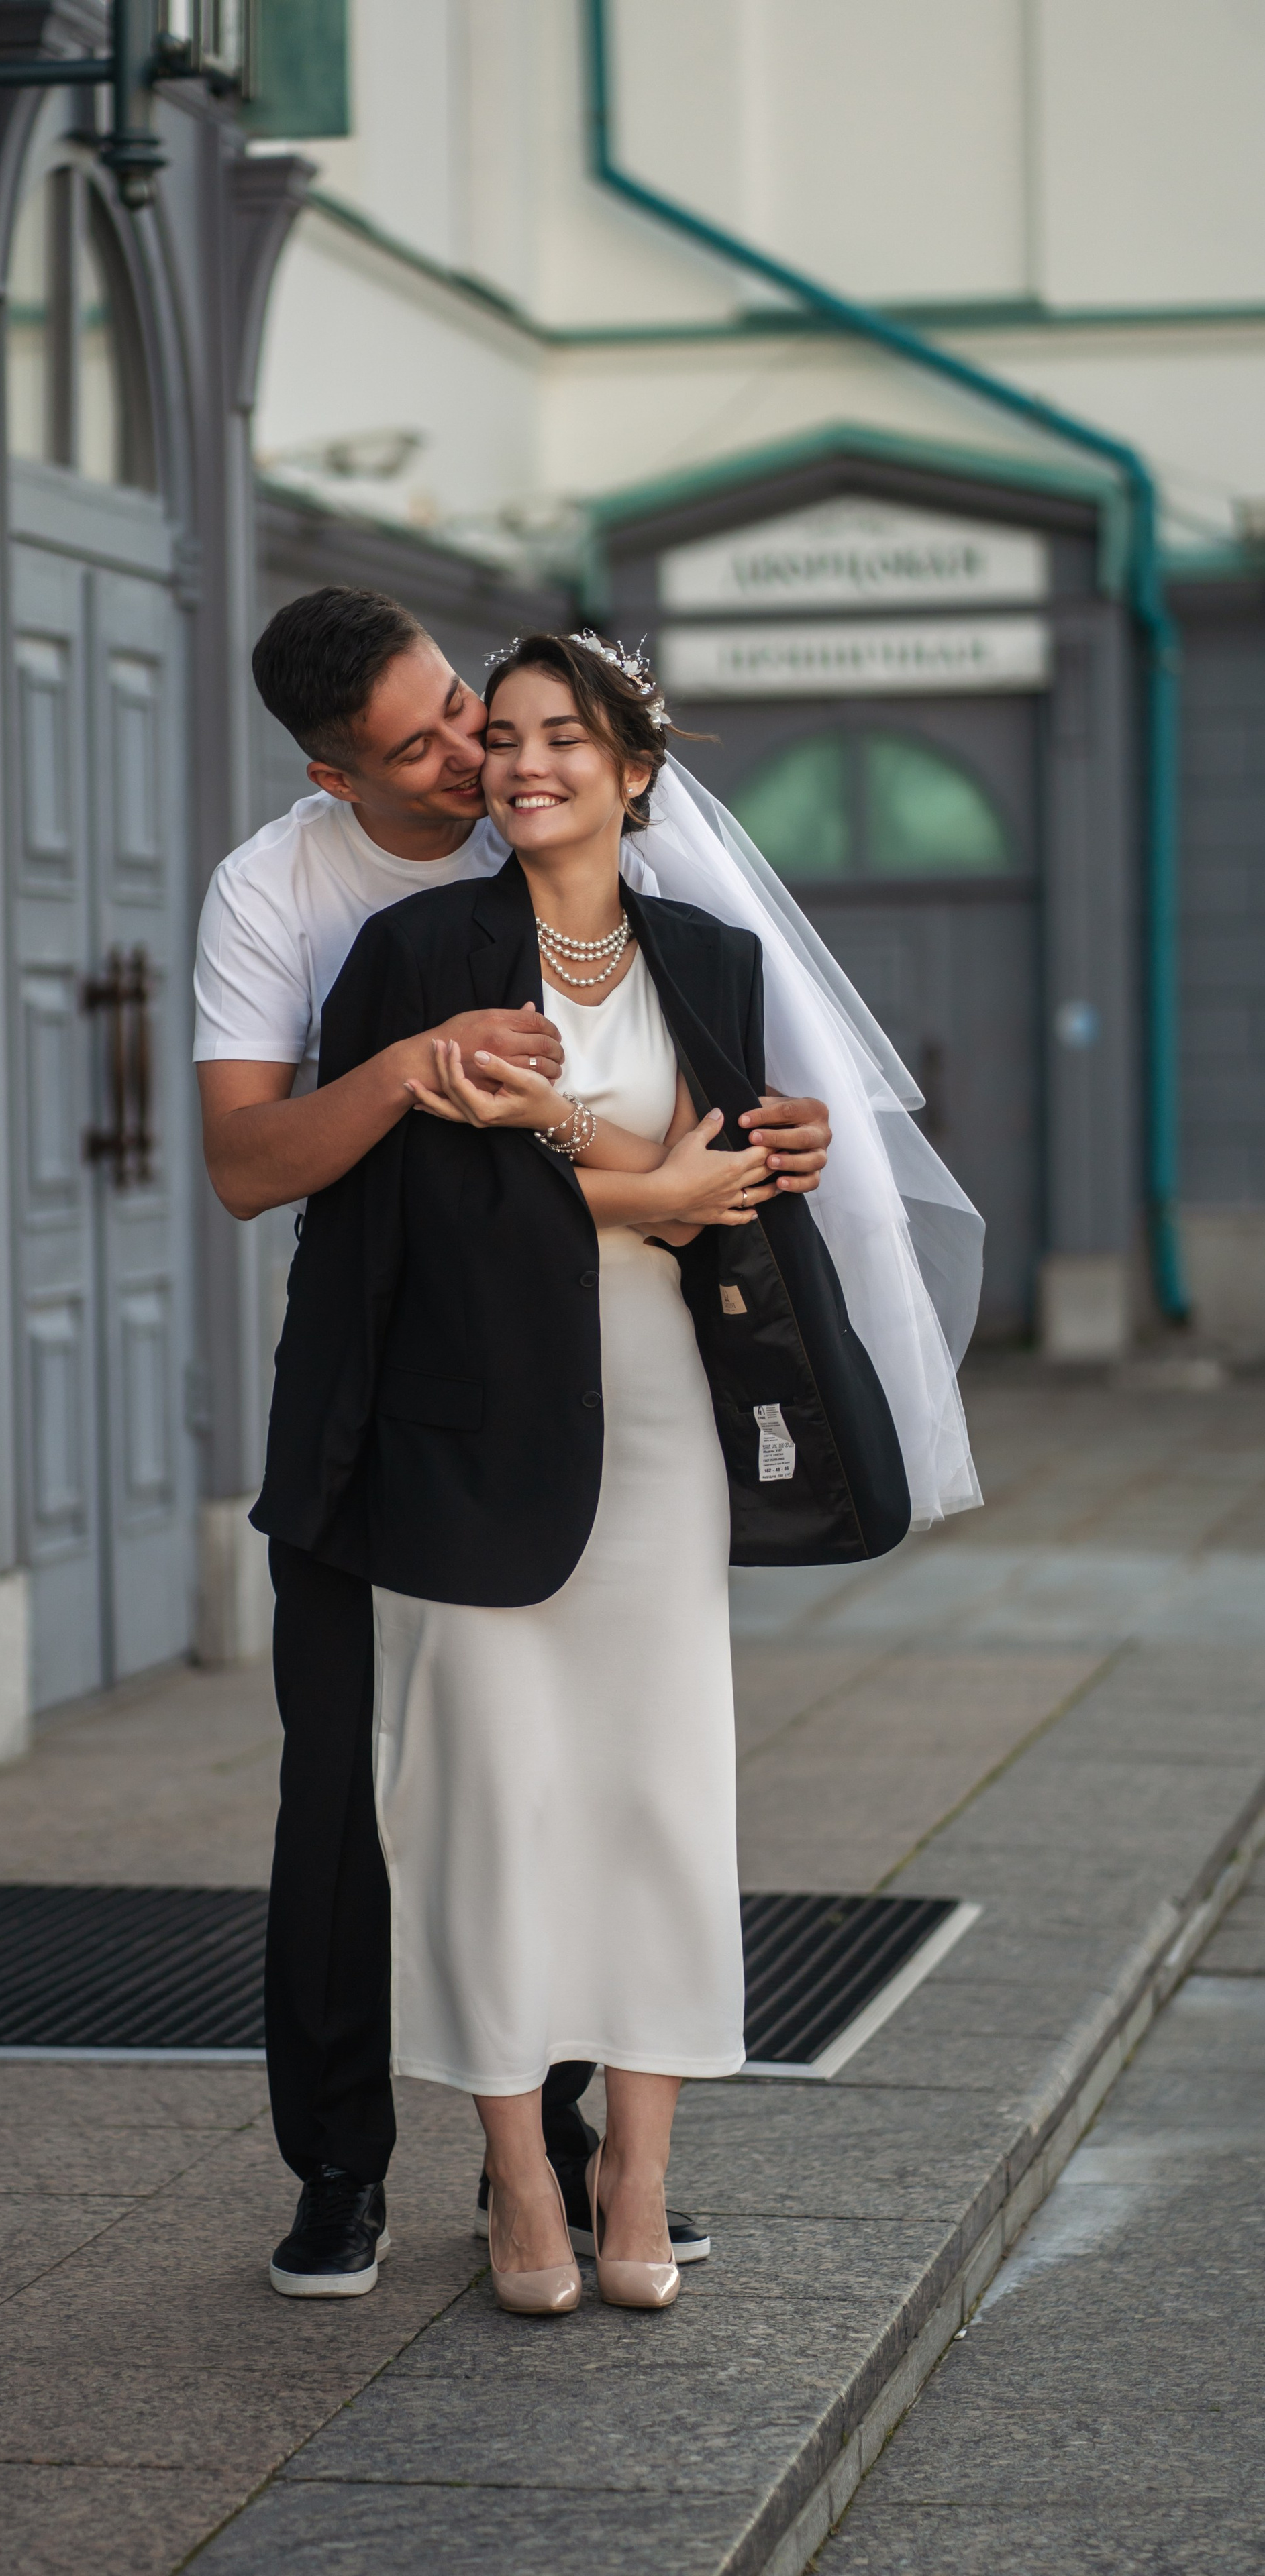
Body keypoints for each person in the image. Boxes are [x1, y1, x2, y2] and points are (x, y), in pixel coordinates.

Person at [252, 631, 915, 2312]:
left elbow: (746, 1182)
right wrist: (634, 1186)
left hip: (657, 1425)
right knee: (480, 1801)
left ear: (633, 773)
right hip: (459, 1429)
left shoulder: (710, 957)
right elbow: (391, 1214)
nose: (524, 759)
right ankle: (519, 2181)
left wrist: (614, 1154)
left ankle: (639, 2168)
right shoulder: (412, 952)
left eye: (566, 736)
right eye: (510, 733)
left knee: (654, 1790)